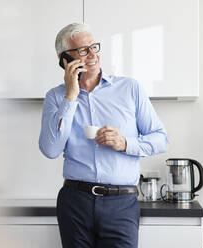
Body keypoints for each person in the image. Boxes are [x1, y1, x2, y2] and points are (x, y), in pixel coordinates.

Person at [38, 23, 169, 248]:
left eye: (94, 47)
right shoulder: (56, 97)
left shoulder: (130, 88)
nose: (92, 55)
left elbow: (161, 139)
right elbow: (50, 150)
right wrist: (70, 96)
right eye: (83, 50)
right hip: (75, 201)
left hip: (122, 203)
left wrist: (125, 143)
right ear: (64, 59)